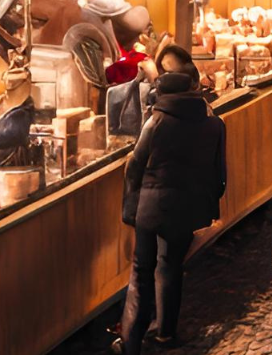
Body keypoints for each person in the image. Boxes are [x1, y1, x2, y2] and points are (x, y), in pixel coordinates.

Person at [117, 65, 225, 355]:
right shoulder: (214, 123)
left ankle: (130, 342)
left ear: (162, 94)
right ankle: (165, 334)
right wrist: (209, 203)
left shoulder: (156, 122)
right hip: (187, 208)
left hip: (151, 208)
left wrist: (130, 208)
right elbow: (220, 174)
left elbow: (135, 166)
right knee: (170, 267)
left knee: (141, 273)